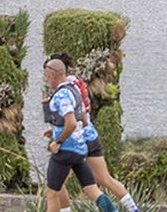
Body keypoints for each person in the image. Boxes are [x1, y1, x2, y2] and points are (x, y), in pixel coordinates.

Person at [49, 53, 142, 212]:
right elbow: (83, 114)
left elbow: (72, 120)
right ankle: (134, 210)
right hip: (90, 136)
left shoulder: (63, 91)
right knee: (104, 180)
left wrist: (59, 136)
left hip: (73, 141)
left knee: (55, 187)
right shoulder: (77, 85)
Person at [42, 58, 119, 212]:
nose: (45, 80)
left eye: (46, 76)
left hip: (65, 150)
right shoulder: (74, 90)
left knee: (51, 193)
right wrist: (57, 128)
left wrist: (58, 140)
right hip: (80, 149)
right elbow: (83, 119)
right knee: (92, 191)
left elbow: (70, 123)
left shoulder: (60, 96)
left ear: (53, 74)